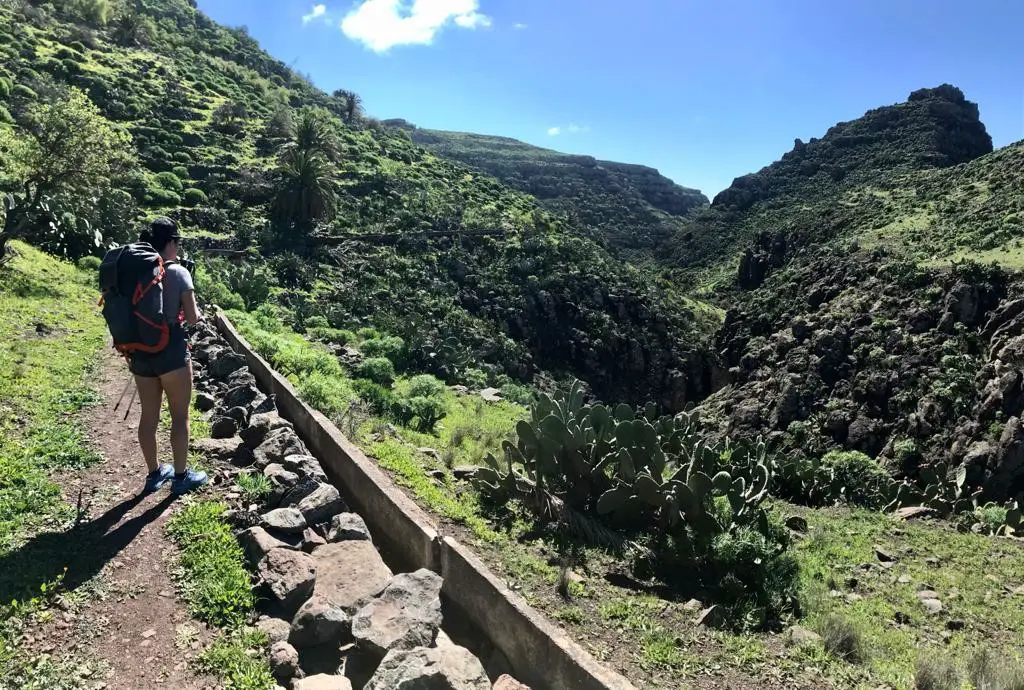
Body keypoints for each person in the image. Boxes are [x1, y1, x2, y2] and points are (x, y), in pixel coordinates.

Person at [130, 217, 209, 495]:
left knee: (148, 416)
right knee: (179, 416)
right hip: (171, 351)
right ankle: (180, 476)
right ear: (171, 243)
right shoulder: (178, 272)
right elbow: (192, 318)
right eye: (178, 242)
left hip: (139, 352)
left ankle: (153, 474)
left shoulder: (134, 270)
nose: (179, 248)